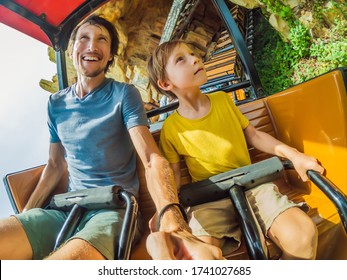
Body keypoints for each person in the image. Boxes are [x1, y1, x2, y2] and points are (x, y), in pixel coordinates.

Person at [0, 16, 222, 260]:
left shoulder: (123, 94)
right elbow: (55, 165)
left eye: (101, 40)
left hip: (114, 210)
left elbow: (151, 158)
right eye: (84, 38)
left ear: (110, 56)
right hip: (65, 209)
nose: (92, 46)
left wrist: (171, 216)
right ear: (73, 49)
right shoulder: (55, 103)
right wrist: (26, 214)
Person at [146, 39, 325, 260]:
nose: (195, 58)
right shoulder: (171, 128)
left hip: (253, 186)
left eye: (193, 53)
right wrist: (166, 208)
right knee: (199, 258)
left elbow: (255, 135)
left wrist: (295, 155)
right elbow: (174, 176)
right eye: (181, 59)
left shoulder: (223, 100)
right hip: (208, 200)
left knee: (302, 235)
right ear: (165, 84)